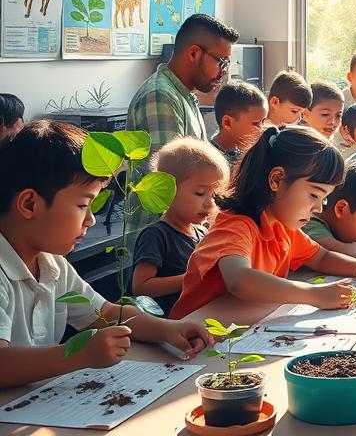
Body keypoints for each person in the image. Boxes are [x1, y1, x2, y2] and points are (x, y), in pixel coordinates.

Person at [0, 121, 213, 389]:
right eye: (83, 205)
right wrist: (79, 355)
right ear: (29, 204)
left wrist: (167, 329)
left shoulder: (52, 265)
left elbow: (105, 313)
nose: (90, 220)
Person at [169, 125, 356, 319]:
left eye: (324, 199)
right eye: (314, 195)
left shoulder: (282, 226)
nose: (318, 208)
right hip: (189, 337)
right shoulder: (234, 224)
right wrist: (315, 295)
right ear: (276, 180)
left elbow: (320, 257)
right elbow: (239, 280)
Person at [132, 138, 229, 315]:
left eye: (214, 195)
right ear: (167, 191)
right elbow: (141, 287)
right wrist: (191, 278)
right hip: (170, 323)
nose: (210, 204)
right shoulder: (156, 235)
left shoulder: (201, 232)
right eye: (200, 193)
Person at [127, 14, 238, 154]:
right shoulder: (161, 97)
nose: (224, 72)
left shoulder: (184, 95)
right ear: (193, 54)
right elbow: (169, 167)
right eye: (221, 62)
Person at [210, 80, 268, 166]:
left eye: (263, 122)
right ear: (227, 122)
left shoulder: (249, 154)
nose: (261, 130)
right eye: (255, 123)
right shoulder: (210, 161)